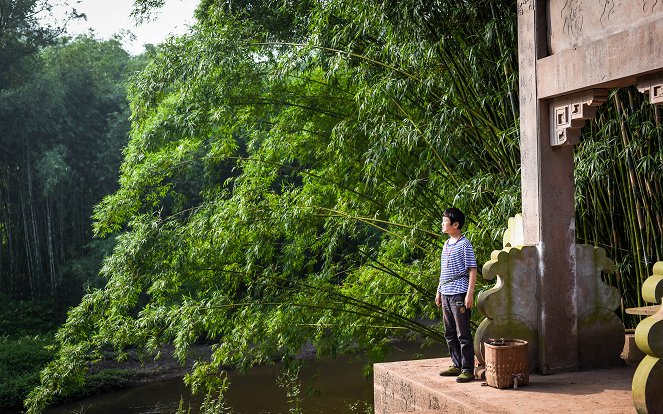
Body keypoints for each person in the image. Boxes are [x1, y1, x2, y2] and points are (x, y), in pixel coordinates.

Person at [435, 207, 477, 383]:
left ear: (456, 224)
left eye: (445, 222)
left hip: (459, 294)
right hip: (445, 293)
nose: (442, 224)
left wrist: (470, 294)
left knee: (463, 334)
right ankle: (456, 364)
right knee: (449, 332)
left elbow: (473, 269)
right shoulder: (446, 244)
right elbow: (443, 271)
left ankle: (468, 369)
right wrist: (438, 291)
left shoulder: (465, 244)